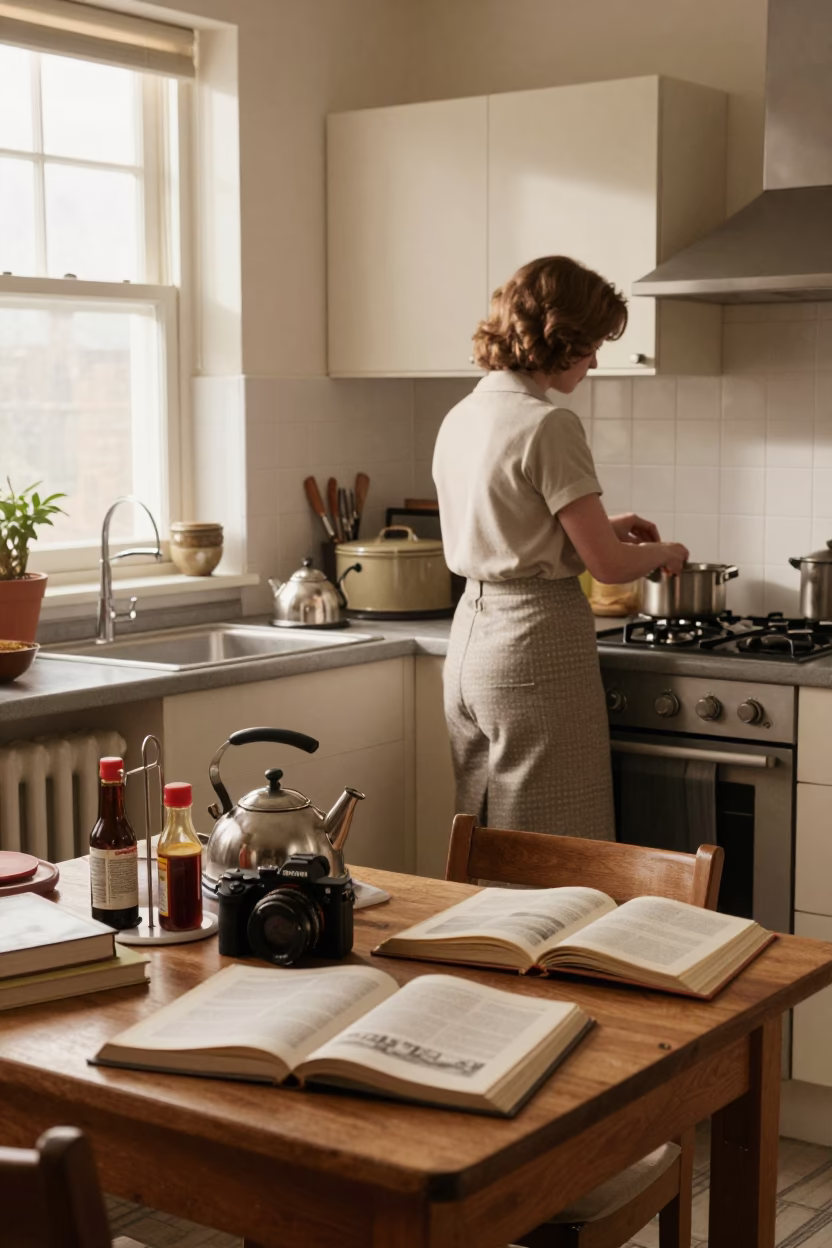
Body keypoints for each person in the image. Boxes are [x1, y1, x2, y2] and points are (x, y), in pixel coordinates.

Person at [432, 256, 689, 841]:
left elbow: (506, 517)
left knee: (486, 836)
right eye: (593, 343)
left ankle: (481, 937)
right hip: (534, 645)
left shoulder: (462, 416)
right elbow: (609, 565)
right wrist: (664, 552)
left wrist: (603, 521)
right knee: (555, 847)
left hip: (470, 643)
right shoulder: (548, 424)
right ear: (561, 337)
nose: (596, 359)